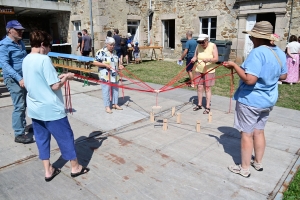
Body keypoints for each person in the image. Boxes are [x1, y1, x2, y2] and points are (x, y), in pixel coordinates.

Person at [22, 30, 90, 182]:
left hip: (35, 109)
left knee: (42, 139)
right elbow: (54, 86)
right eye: (48, 46)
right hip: (51, 110)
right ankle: (75, 167)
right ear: (41, 45)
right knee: (66, 138)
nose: (49, 49)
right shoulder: (44, 59)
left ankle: (48, 170)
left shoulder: (26, 59)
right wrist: (66, 77)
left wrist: (57, 78)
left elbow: (34, 80)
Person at [223, 21, 287, 178]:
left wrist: (234, 66)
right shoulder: (279, 52)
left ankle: (244, 168)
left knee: (247, 134)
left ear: (258, 38)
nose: (251, 39)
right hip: (268, 101)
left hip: (251, 101)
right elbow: (284, 75)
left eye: (252, 36)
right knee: (259, 131)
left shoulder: (257, 52)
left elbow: (249, 80)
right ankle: (258, 162)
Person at [0, 20, 34, 144]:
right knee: (19, 106)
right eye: (18, 29)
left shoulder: (20, 43)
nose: (21, 31)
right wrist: (19, 78)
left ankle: (22, 126)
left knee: (24, 104)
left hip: (23, 78)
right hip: (13, 79)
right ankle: (18, 134)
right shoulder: (4, 45)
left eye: (21, 29)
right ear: (9, 30)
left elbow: (24, 59)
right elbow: (4, 64)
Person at [94, 37, 125, 113]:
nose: (112, 46)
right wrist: (104, 65)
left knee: (115, 89)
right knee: (106, 90)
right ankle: (107, 106)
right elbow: (95, 62)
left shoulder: (114, 52)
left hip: (115, 74)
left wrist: (119, 65)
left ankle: (115, 104)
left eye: (113, 45)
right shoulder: (101, 52)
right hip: (105, 75)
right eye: (111, 45)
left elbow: (116, 61)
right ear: (106, 44)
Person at [191, 34, 218, 114]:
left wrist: (209, 59)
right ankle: (199, 104)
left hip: (209, 70)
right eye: (199, 42)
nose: (201, 44)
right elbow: (195, 56)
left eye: (203, 42)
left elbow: (216, 59)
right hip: (199, 69)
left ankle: (207, 107)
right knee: (199, 87)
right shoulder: (198, 46)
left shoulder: (212, 45)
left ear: (207, 40)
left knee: (207, 88)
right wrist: (193, 59)